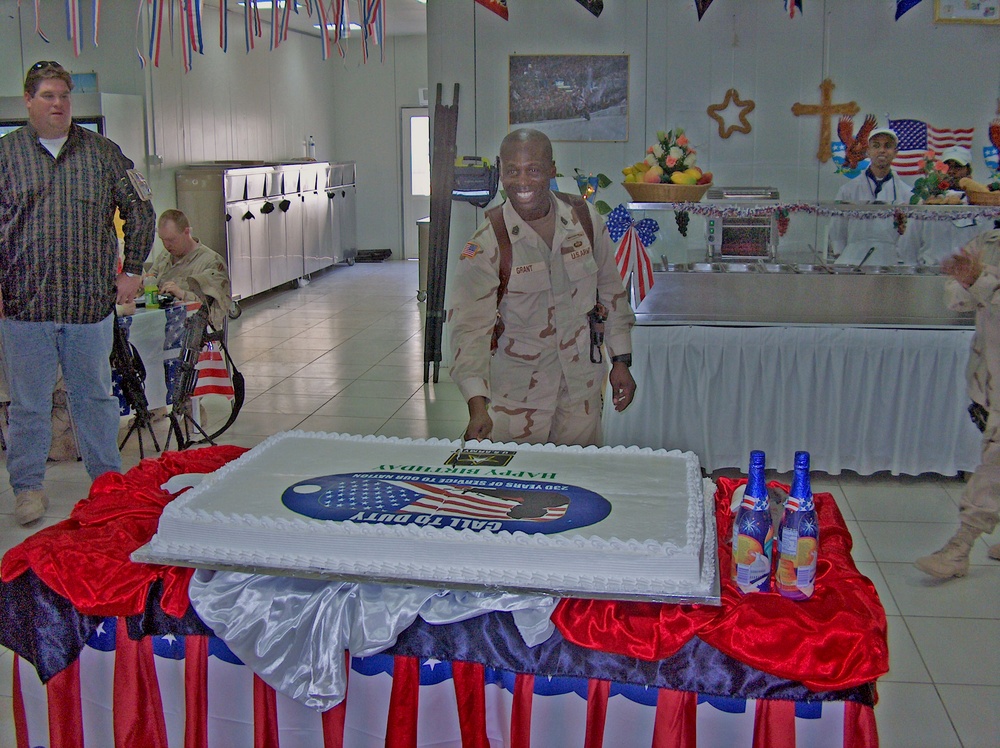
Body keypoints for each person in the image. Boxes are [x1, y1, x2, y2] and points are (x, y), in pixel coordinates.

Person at [0, 61, 155, 526]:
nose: (58, 104)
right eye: (48, 95)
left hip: (89, 305)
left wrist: (134, 270)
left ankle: (106, 483)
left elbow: (141, 211)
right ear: (29, 100)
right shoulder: (6, 157)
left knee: (95, 398)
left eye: (64, 96)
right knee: (28, 404)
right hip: (25, 306)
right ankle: (27, 489)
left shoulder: (103, 153)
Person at [447, 128, 636, 447]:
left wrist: (621, 359)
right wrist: (477, 406)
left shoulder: (584, 220)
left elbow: (610, 289)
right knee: (517, 491)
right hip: (519, 400)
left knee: (578, 483)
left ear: (551, 169)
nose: (522, 182)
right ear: (501, 171)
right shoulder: (488, 242)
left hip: (582, 394)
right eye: (512, 171)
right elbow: (469, 330)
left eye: (533, 169)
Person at [915, 227, 1000, 579]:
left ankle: (959, 547)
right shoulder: (988, 241)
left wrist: (979, 280)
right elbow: (954, 297)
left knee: (996, 459)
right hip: (990, 368)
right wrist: (970, 282)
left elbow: (979, 287)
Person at [829, 127, 913, 266]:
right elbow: (837, 229)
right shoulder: (848, 190)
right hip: (853, 260)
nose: (882, 150)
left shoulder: (907, 193)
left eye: (888, 146)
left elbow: (910, 235)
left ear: (895, 153)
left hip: (889, 262)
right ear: (868, 151)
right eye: (876, 146)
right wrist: (843, 256)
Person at [898, 146, 985, 266]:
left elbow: (986, 248)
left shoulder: (978, 207)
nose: (952, 171)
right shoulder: (925, 205)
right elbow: (907, 247)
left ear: (968, 171)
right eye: (948, 166)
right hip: (929, 274)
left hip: (966, 278)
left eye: (958, 167)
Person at [148, 209, 232, 330]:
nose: (166, 245)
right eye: (162, 240)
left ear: (187, 232)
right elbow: (152, 277)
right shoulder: (165, 256)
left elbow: (216, 310)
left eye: (171, 240)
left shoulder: (211, 262)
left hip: (192, 331)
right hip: (160, 325)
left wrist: (182, 294)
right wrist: (146, 283)